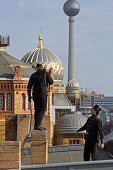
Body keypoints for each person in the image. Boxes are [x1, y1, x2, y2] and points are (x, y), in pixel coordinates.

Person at [27, 63, 53, 130]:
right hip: (42, 94)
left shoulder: (33, 75)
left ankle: (37, 125)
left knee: (37, 110)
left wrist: (29, 96)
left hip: (35, 94)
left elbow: (29, 86)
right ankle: (38, 125)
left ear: (37, 68)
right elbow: (51, 82)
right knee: (43, 109)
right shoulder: (45, 74)